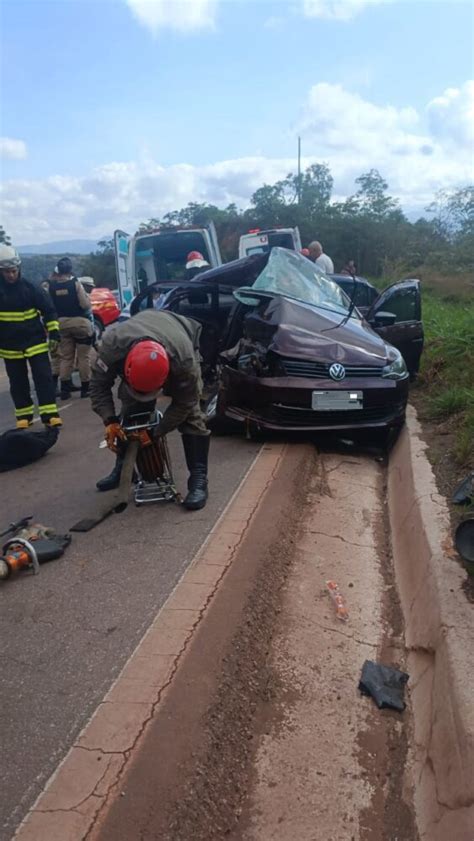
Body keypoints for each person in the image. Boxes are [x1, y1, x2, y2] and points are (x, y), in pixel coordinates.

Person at [90, 309, 210, 510]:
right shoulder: (111, 346)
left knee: (192, 416)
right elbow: (98, 386)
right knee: (130, 412)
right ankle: (124, 468)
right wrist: (109, 420)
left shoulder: (184, 360)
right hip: (142, 337)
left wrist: (156, 432)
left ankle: (199, 480)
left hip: (179, 335)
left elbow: (185, 403)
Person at [0, 244, 62, 428]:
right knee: (18, 383)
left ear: (19, 268)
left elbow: (49, 311)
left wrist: (54, 334)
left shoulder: (31, 288)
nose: (11, 275)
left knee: (43, 378)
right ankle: (24, 416)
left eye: (13, 270)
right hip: (10, 347)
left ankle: (50, 413)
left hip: (35, 343)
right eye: (6, 272)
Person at [48, 258, 94, 399]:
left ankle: (65, 390)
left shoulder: (52, 286)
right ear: (69, 269)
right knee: (83, 357)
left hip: (60, 324)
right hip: (79, 323)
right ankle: (86, 388)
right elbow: (85, 304)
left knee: (66, 357)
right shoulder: (75, 283)